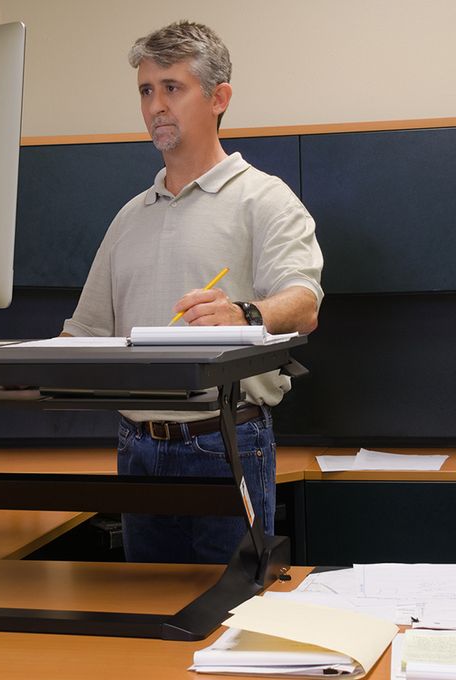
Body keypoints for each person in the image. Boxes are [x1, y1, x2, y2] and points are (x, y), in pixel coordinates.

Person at [62, 20, 323, 564]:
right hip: (137, 448)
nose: (156, 105)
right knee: (149, 617)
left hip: (223, 441)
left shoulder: (265, 200)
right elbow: (83, 332)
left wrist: (244, 313)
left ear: (218, 98)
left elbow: (304, 305)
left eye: (172, 88)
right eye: (145, 90)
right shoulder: (128, 218)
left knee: (229, 621)